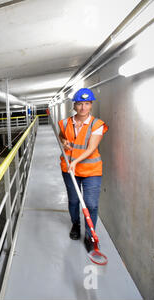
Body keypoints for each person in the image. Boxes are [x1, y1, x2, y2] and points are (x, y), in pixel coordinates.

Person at [58, 88, 108, 252]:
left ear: (91, 105)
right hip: (69, 170)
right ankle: (75, 224)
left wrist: (76, 161)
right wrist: (64, 142)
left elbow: (91, 148)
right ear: (74, 105)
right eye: (80, 104)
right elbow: (61, 135)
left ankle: (89, 235)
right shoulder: (65, 123)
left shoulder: (97, 125)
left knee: (91, 205)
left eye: (87, 104)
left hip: (91, 171)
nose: (83, 108)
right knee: (74, 201)